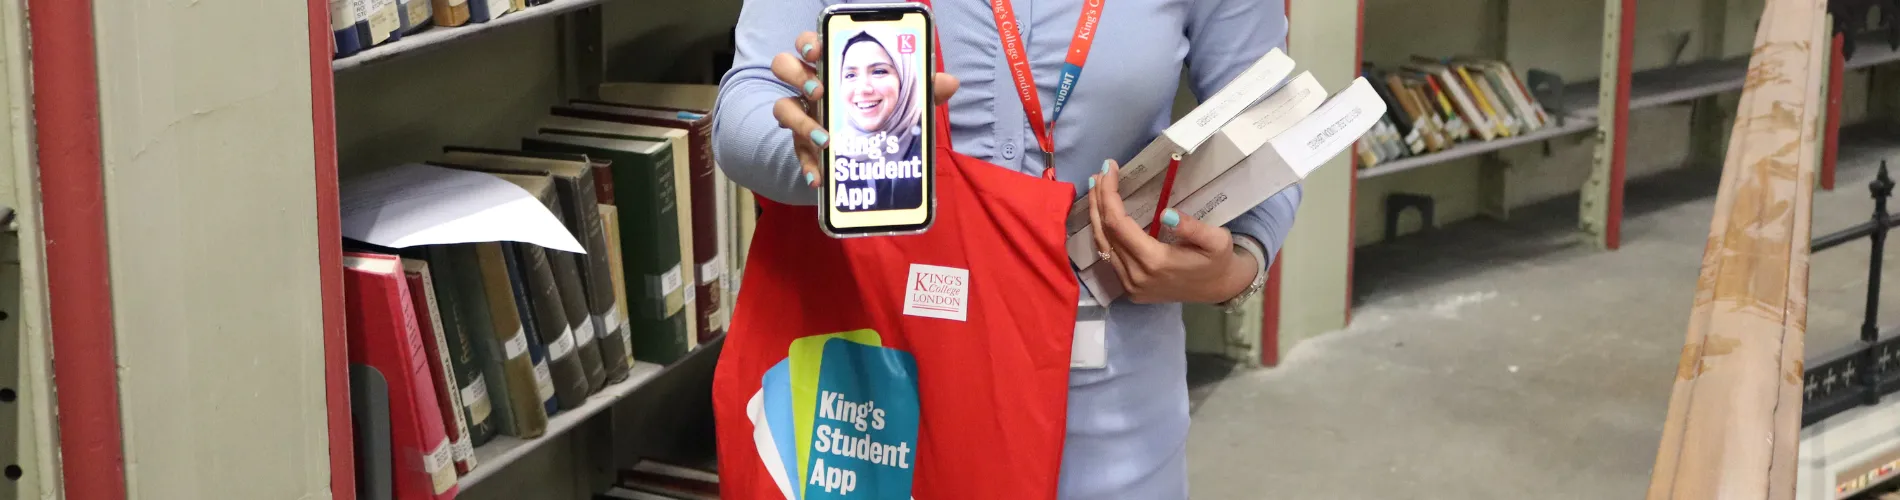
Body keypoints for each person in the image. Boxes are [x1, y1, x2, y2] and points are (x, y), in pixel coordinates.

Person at [711, 0, 1300, 498]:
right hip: (877, 388)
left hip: (1111, 411)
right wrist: (829, 148)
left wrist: (1238, 265)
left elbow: (1269, 117)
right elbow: (743, 104)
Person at [830, 27, 926, 212]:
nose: (863, 88)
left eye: (879, 71)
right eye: (850, 75)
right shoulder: (833, 150)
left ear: (904, 78)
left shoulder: (928, 139)